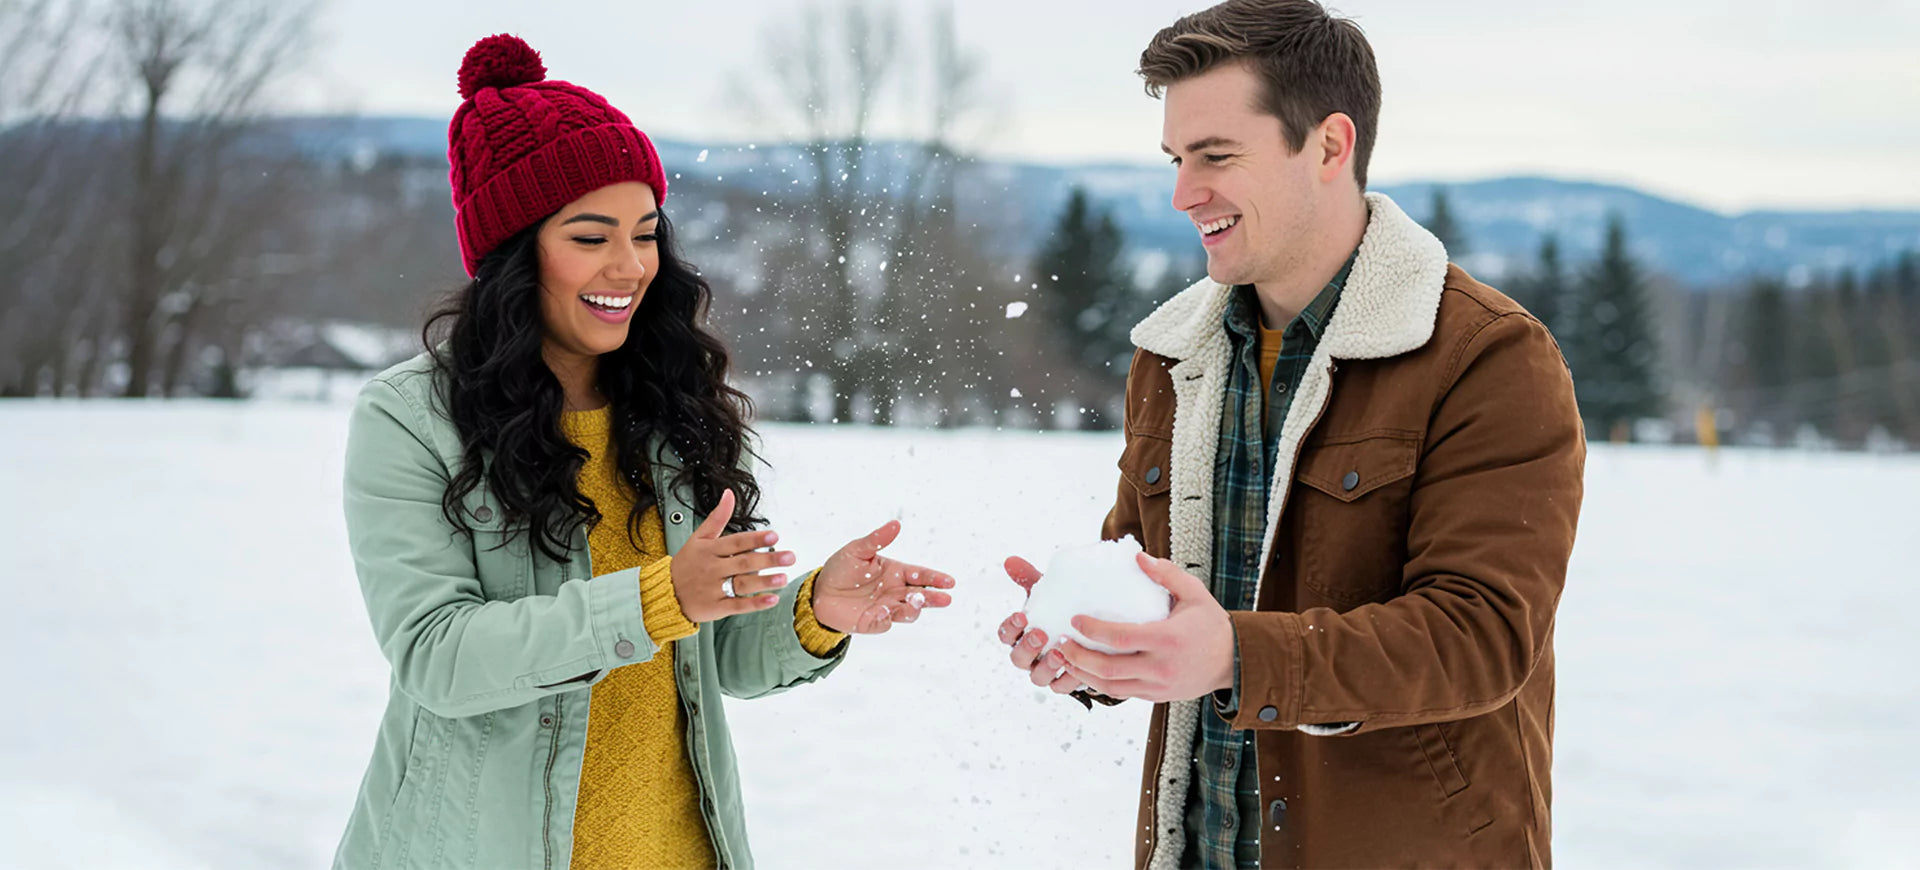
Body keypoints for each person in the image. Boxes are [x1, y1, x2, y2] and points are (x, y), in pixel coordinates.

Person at [333, 34, 955, 870]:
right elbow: (439, 656)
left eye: (645, 232)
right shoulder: (413, 417)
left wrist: (814, 612)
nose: (629, 267)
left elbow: (710, 650)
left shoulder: (666, 403)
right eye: (590, 237)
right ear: (517, 255)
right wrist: (659, 596)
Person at [995, 2, 1585, 867]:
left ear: (1330, 147)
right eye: (1176, 158)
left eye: (1216, 156)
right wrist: (1094, 648)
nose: (1183, 193)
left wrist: (1236, 655)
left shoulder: (1484, 356)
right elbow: (1160, 592)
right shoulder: (1171, 356)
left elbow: (1482, 636)